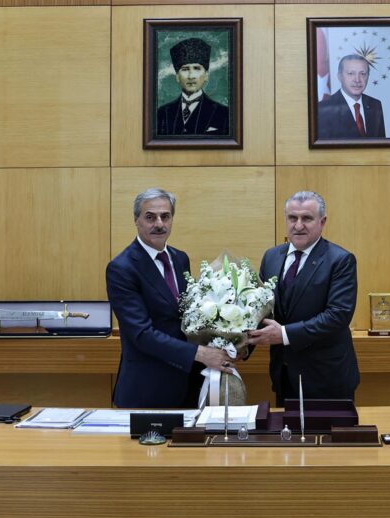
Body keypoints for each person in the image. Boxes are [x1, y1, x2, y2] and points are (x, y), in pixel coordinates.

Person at [106, 188, 234, 409]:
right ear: (136, 220)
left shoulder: (180, 258)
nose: (159, 224)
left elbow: (187, 317)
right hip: (147, 389)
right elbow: (141, 334)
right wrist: (200, 353)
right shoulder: (121, 268)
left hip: (188, 386)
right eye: (150, 217)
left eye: (165, 216)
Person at [248, 191, 360, 406]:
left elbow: (338, 315)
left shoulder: (340, 260)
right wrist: (239, 344)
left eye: (307, 218)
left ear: (322, 222)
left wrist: (284, 334)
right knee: (286, 428)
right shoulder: (271, 257)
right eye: (293, 218)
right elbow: (260, 309)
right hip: (283, 375)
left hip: (326, 379)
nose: (298, 225)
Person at [155, 38, 230, 137]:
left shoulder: (224, 114)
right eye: (185, 69)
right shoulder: (162, 113)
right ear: (177, 76)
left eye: (197, 68)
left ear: (206, 75)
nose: (191, 76)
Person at [316, 54, 386, 139]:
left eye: (362, 74)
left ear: (368, 76)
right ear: (339, 76)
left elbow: (381, 145)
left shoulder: (375, 105)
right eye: (351, 73)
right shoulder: (323, 109)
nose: (357, 80)